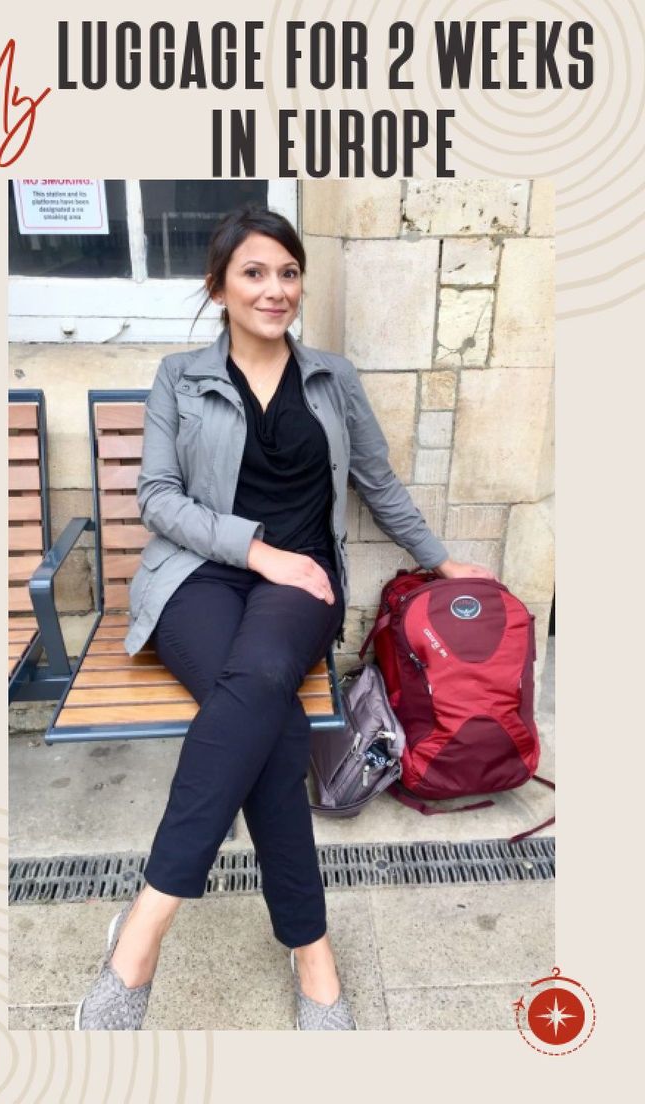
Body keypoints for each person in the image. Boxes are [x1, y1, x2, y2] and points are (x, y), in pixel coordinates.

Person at [75, 206, 494, 1031]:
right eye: (255, 273)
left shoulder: (332, 378)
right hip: (198, 576)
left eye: (289, 273)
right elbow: (157, 498)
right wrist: (254, 550)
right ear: (220, 286)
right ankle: (312, 949)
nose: (276, 290)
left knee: (263, 680)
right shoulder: (179, 377)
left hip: (301, 582)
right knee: (269, 725)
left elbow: (376, 481)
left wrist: (440, 557)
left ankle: (144, 928)